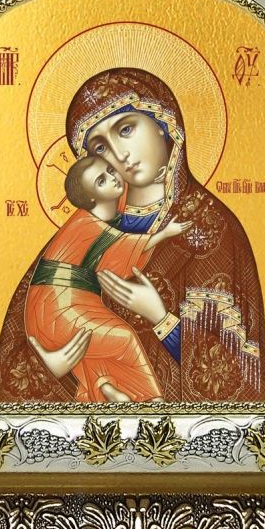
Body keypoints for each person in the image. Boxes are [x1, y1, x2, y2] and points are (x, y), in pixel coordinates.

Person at [0, 68, 265, 403]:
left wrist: (160, 318)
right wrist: (51, 366)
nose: (119, 154)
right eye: (100, 147)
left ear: (163, 122)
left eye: (125, 129)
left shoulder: (208, 227)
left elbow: (240, 372)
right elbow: (23, 346)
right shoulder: (81, 233)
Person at [24, 154, 190, 402]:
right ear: (91, 197)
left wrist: (161, 178)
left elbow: (114, 247)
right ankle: (151, 402)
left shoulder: (107, 214)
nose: (113, 178)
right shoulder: (86, 223)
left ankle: (105, 388)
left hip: (71, 303)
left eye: (111, 170)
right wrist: (165, 233)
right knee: (124, 339)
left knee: (97, 352)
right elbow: (123, 247)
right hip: (59, 306)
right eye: (102, 180)